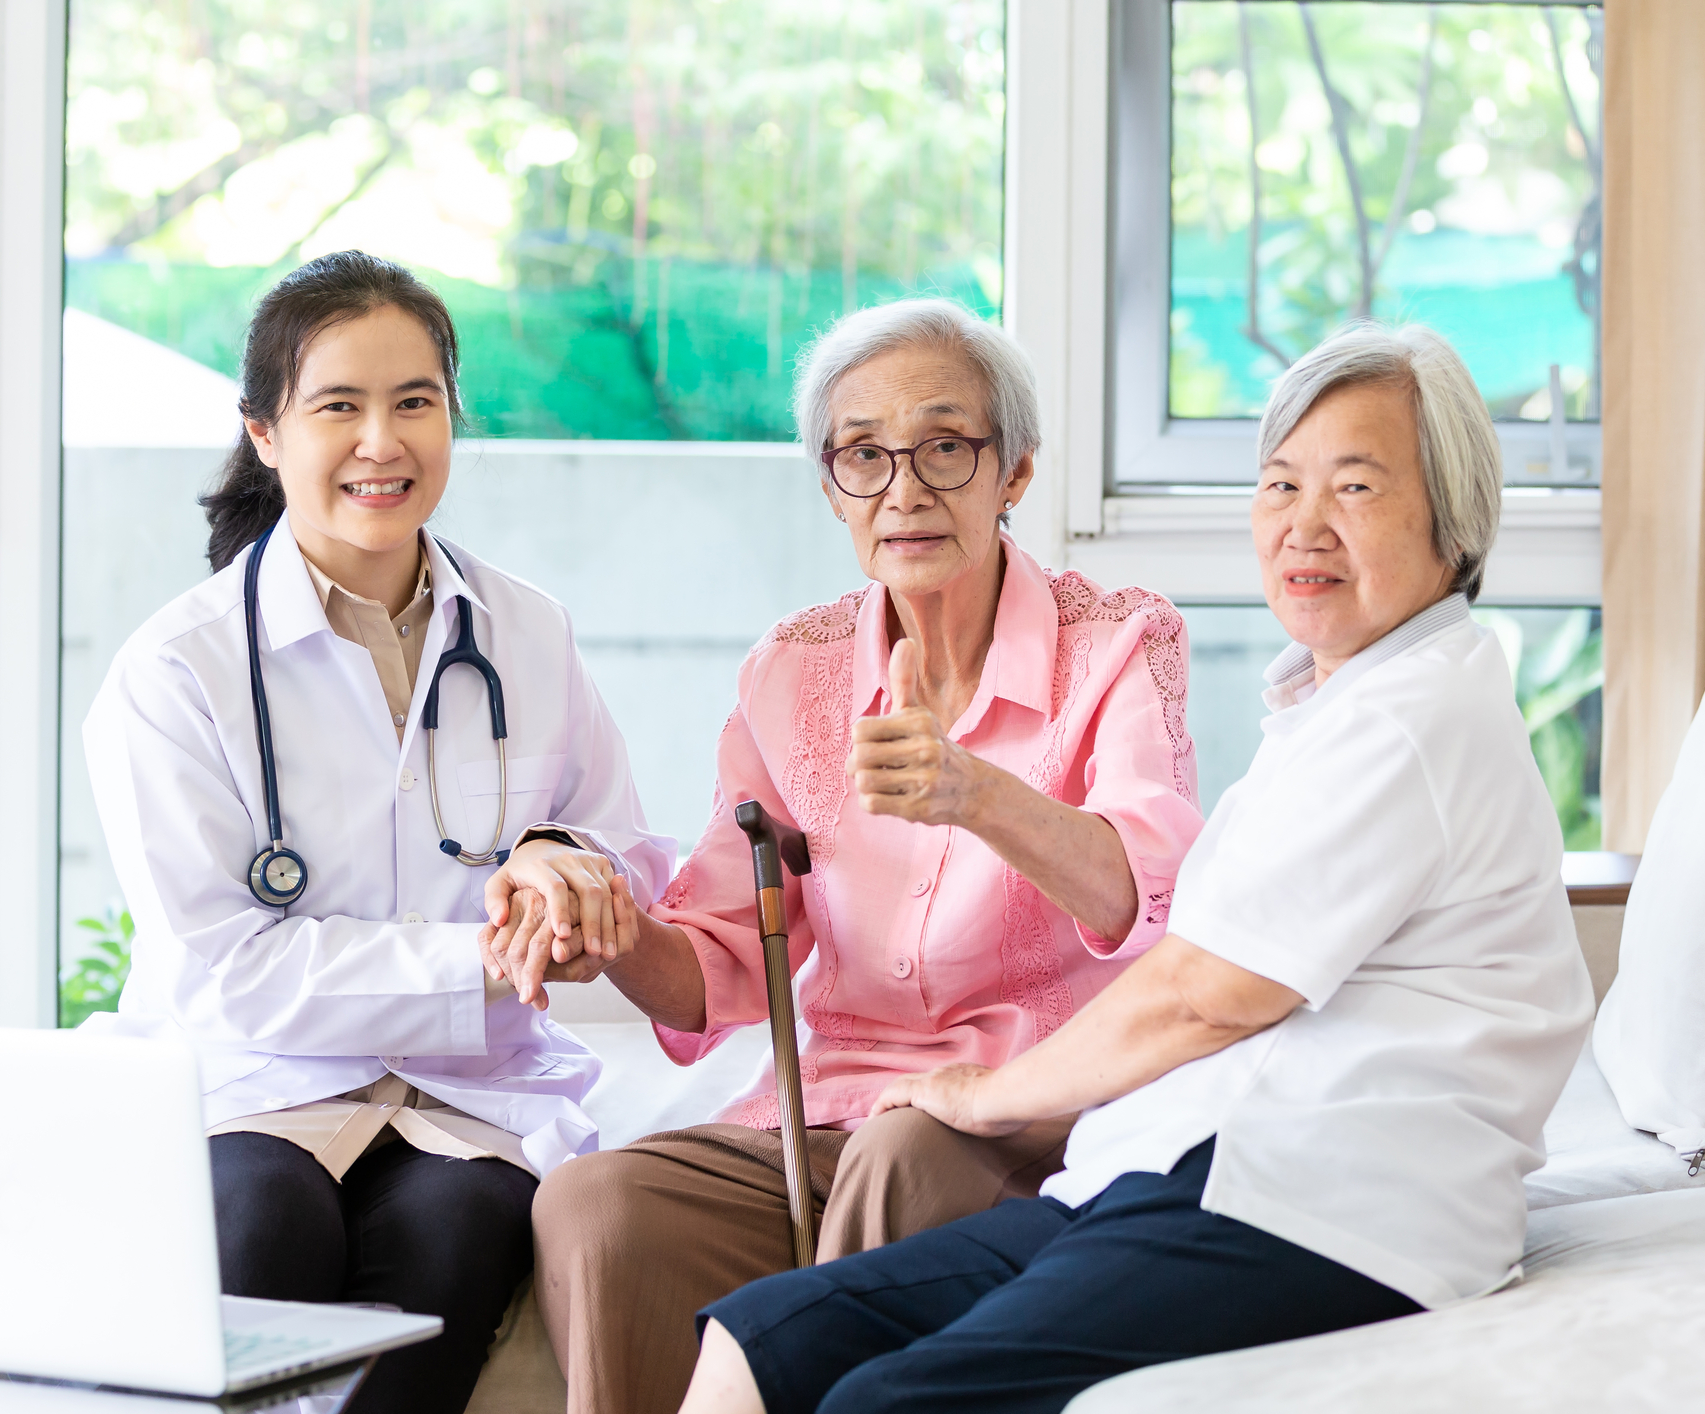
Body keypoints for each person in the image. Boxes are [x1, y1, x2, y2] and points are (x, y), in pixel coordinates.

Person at [673, 322, 1596, 1414]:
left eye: (1355, 487)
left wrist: (987, 1092)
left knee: (884, 1398)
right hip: (1186, 1162)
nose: (1305, 526)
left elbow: (1203, 993)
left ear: (1452, 516)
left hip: (1323, 1199)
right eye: (1280, 483)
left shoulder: (1408, 720)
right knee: (768, 1332)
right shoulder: (1343, 702)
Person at [489, 297, 1203, 1414]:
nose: (903, 489)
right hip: (829, 1112)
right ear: (830, 485)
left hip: (1035, 1107)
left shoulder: (1115, 642)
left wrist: (974, 791)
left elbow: (1144, 893)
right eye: (864, 455)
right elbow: (724, 961)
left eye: (945, 448)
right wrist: (616, 938)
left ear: (1013, 471)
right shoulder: (792, 670)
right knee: (593, 1202)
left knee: (903, 1155)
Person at [80, 250, 672, 1414]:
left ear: (454, 413)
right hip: (253, 1082)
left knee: (456, 1229)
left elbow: (623, 849)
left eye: (415, 402)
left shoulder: (525, 632)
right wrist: (488, 950)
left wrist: (566, 862)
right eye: (338, 406)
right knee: (265, 1216)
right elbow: (232, 964)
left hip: (468, 1094)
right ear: (263, 430)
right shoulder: (176, 671)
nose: (381, 442)